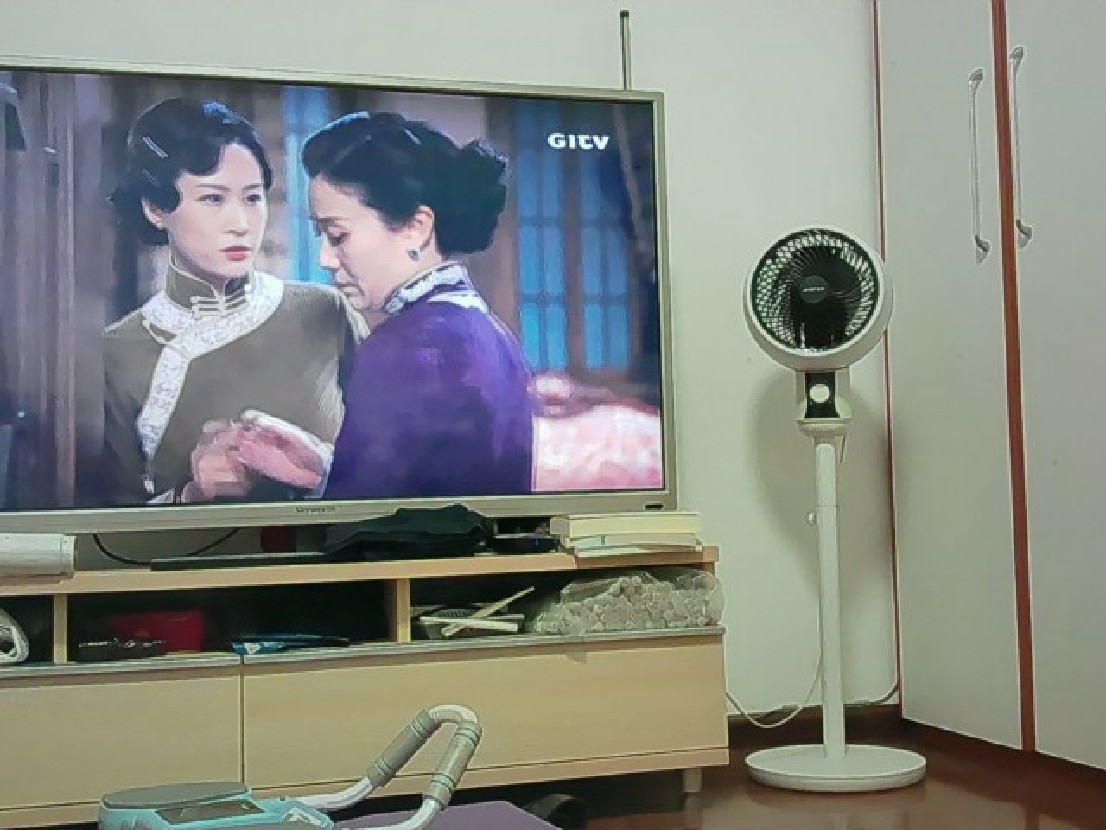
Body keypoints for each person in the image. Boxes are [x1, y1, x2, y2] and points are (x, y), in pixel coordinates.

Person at [238, 112, 534, 499]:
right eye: (320, 235)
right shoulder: (493, 334)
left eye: (337, 235)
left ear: (416, 227)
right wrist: (325, 470)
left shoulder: (405, 348)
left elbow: (361, 520)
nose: (326, 258)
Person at [102, 98, 366, 505]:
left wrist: (322, 469)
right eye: (213, 199)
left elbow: (397, 464)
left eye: (253, 198)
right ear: (156, 208)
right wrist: (191, 494)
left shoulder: (324, 311)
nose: (241, 224)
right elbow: (110, 521)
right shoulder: (117, 351)